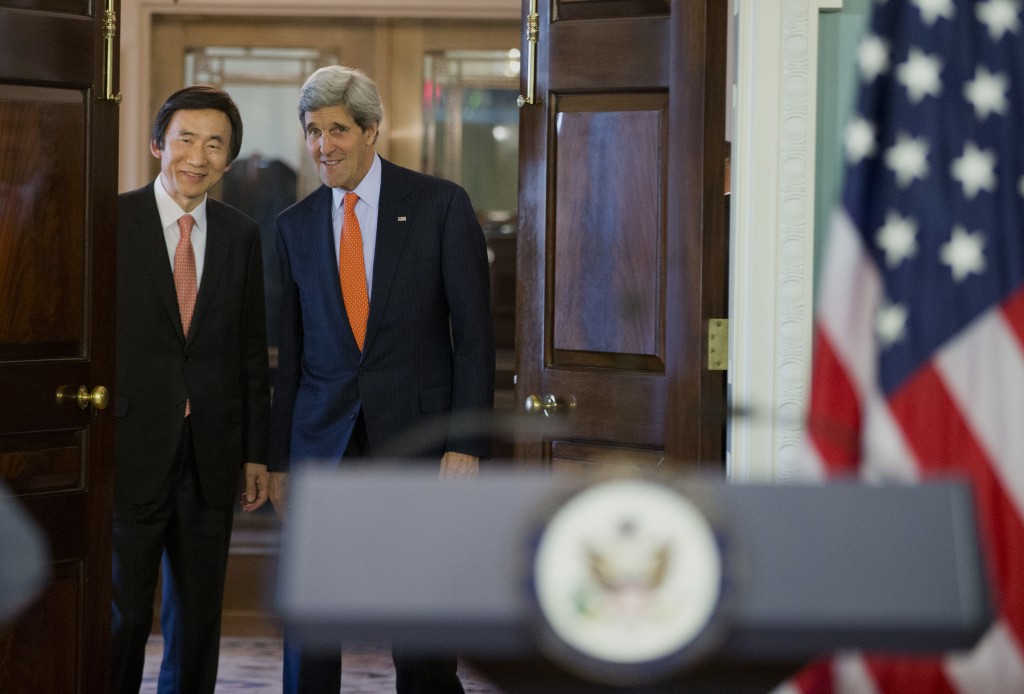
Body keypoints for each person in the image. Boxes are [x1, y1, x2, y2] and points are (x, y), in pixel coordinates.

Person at [268, 65, 495, 694]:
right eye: (313, 131)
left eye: (338, 130)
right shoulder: (293, 226)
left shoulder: (440, 205)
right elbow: (291, 357)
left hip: (422, 439)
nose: (323, 146)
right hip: (322, 443)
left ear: (372, 130)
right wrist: (280, 459)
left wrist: (468, 444)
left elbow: (473, 337)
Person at [112, 85, 272, 694]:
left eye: (215, 144)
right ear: (158, 144)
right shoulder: (113, 220)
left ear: (229, 159)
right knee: (123, 616)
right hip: (130, 446)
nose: (197, 157)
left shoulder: (241, 234)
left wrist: (255, 453)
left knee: (199, 620)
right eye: (185, 139)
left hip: (211, 453)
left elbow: (250, 353)